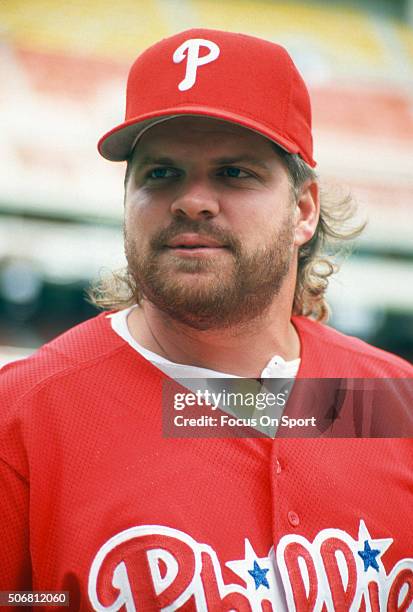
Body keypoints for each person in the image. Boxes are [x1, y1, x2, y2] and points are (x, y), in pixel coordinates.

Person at [1, 28, 413, 611]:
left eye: (234, 173)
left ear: (303, 210)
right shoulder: (23, 417)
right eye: (160, 173)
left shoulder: (389, 400)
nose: (193, 200)